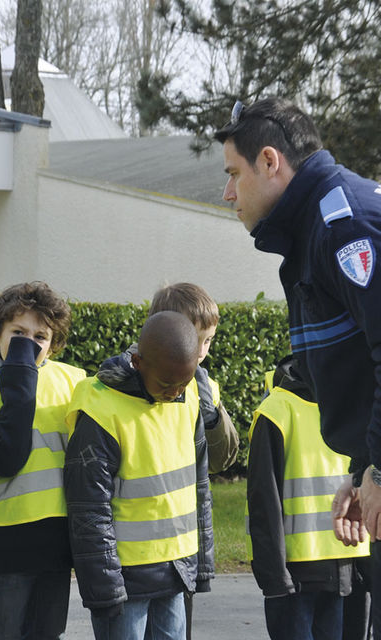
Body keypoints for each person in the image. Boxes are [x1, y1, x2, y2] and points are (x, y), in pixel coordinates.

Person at [214, 97, 381, 635]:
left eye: (234, 174)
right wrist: (363, 470)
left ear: (270, 161)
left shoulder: (342, 224)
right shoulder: (317, 226)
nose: (228, 192)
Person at [64, 311, 214, 640]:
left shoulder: (189, 402)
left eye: (183, 384)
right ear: (137, 362)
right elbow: (89, 509)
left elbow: (199, 487)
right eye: (165, 384)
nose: (175, 392)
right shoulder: (100, 411)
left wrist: (201, 565)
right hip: (124, 583)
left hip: (176, 573)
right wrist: (105, 589)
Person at [0, 281, 86, 640]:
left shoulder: (73, 381)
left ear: (54, 344)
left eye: (40, 336)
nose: (29, 344)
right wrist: (19, 378)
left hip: (58, 544)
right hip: (8, 545)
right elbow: (5, 458)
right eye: (18, 333)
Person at [247, 356, 369, 640]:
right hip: (296, 578)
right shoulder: (277, 411)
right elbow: (263, 502)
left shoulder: (357, 402)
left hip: (352, 569)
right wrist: (275, 578)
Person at [149, 282, 239, 475]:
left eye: (207, 340)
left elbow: (221, 460)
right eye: (192, 339)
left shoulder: (207, 387)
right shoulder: (131, 382)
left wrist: (211, 418)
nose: (200, 352)